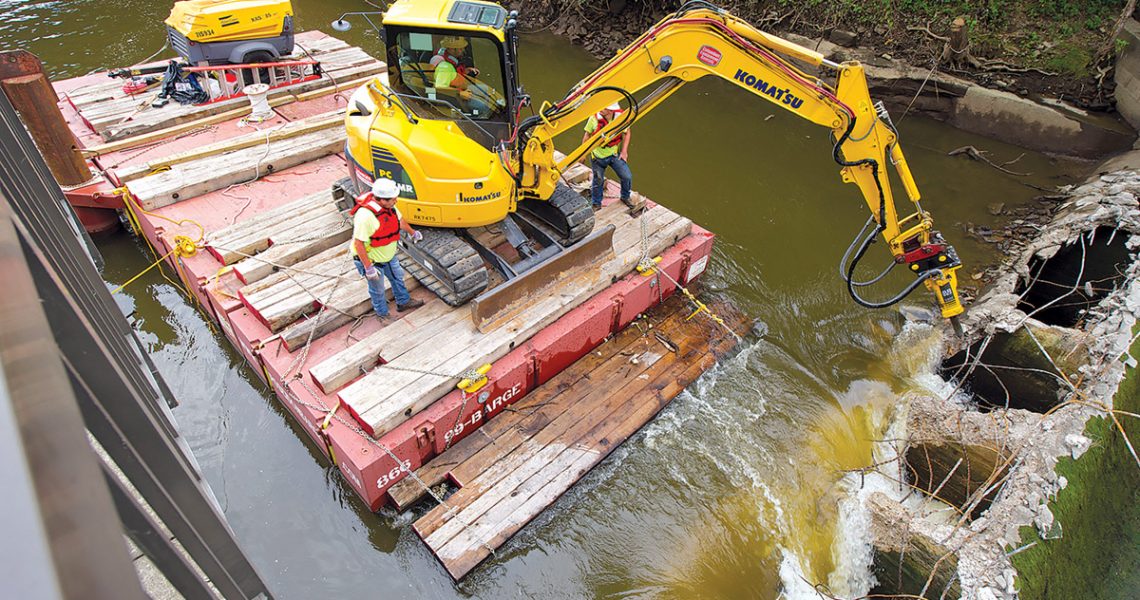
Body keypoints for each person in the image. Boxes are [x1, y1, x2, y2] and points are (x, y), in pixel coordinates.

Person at [350, 178, 425, 320]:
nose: (395, 201)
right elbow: (359, 243)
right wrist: (368, 268)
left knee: (398, 278)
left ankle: (403, 302)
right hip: (372, 261)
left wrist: (412, 232)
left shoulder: (389, 207)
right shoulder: (365, 216)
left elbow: (400, 221)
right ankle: (382, 314)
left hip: (388, 255)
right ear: (381, 200)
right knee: (377, 290)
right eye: (392, 199)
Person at [582, 102, 633, 210]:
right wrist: (583, 154)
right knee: (598, 180)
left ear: (611, 110)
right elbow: (587, 135)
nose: (601, 109)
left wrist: (624, 151)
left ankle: (625, 196)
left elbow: (627, 132)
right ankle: (596, 203)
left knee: (626, 176)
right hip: (597, 157)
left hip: (614, 155)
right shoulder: (594, 119)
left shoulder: (620, 119)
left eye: (605, 108)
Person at [430, 36, 489, 116]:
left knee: (485, 88)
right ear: (451, 49)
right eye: (460, 49)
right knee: (483, 107)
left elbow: (453, 76)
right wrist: (460, 93)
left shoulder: (450, 62)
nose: (463, 51)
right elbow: (440, 88)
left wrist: (465, 71)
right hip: (457, 98)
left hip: (460, 89)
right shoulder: (445, 67)